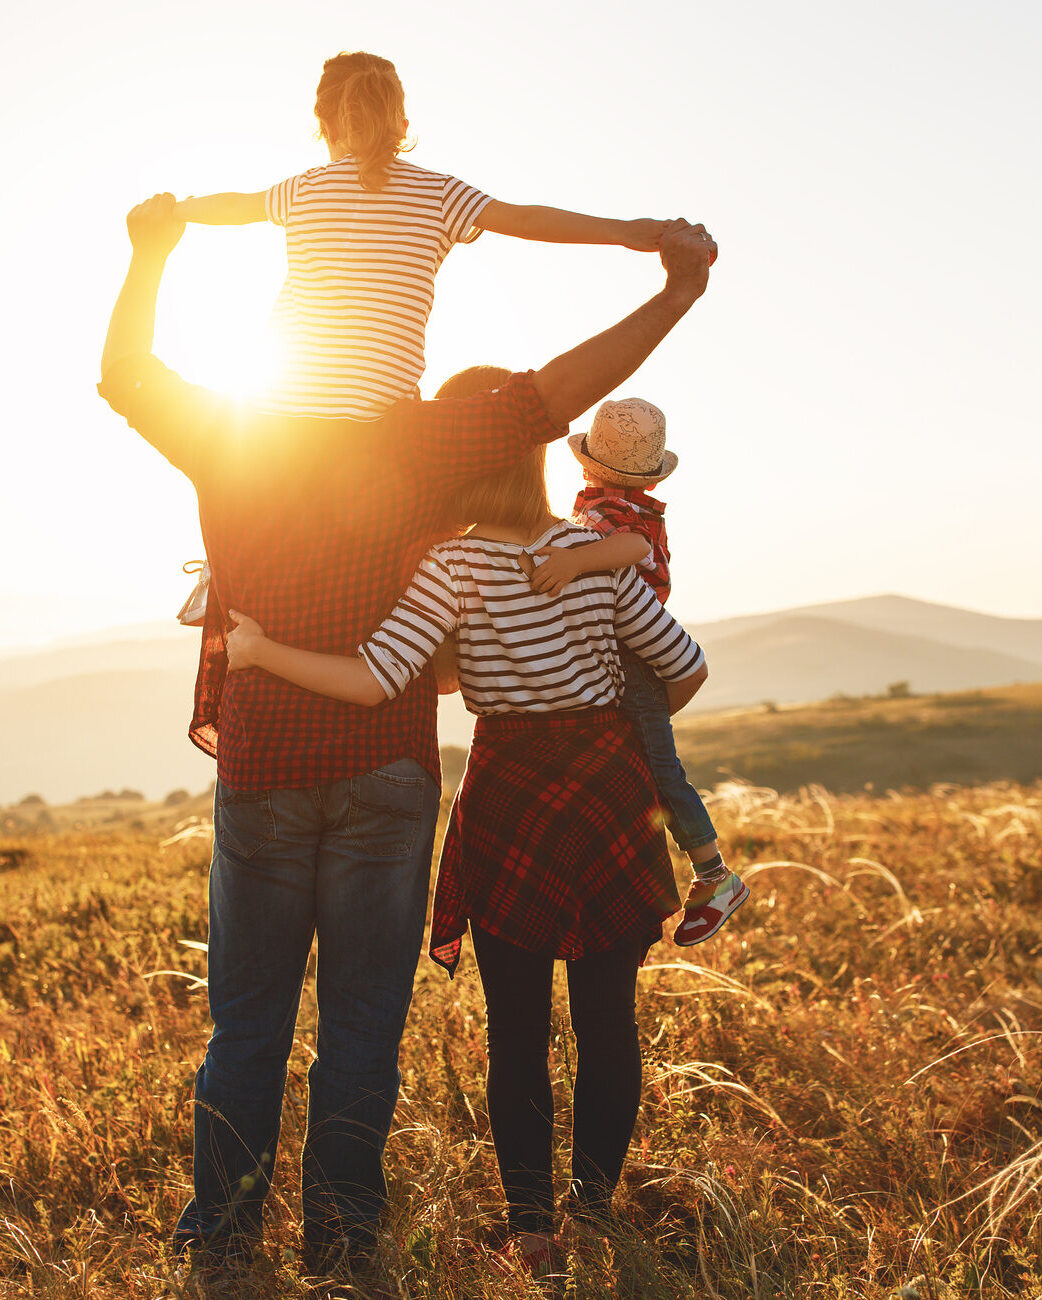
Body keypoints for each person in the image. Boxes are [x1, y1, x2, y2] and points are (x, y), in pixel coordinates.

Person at [97, 191, 716, 1283]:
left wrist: (150, 255)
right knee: (362, 1026)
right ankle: (343, 1237)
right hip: (385, 769)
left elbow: (126, 373)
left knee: (246, 1023)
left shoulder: (230, 430)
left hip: (263, 765)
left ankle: (223, 1236)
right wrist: (672, 287)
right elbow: (557, 393)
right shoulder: (425, 438)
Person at [223, 413, 709, 1277]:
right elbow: (686, 666)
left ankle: (532, 1228)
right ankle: (593, 1213)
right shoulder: (596, 546)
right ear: (535, 462)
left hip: (511, 793)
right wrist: (613, 735)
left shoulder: (452, 563)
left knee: (516, 1030)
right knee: (608, 1022)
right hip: (606, 789)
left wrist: (260, 649)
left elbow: (375, 681)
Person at [176, 50, 675, 419]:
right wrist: (628, 232)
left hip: (281, 408)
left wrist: (175, 210)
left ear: (323, 124)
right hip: (381, 415)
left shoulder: (304, 189)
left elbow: (234, 207)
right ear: (402, 123)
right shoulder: (438, 193)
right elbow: (526, 220)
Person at [524, 398, 748, 944]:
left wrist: (573, 562)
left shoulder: (616, 516)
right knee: (638, 765)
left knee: (658, 768)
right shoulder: (614, 505)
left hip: (631, 654)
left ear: (586, 463)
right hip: (625, 653)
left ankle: (715, 874)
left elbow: (629, 548)